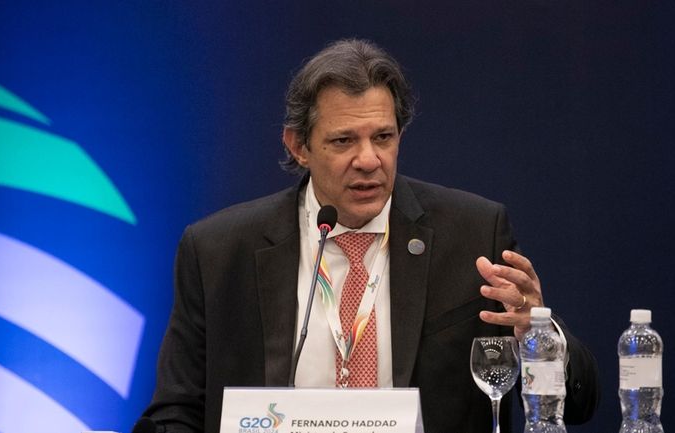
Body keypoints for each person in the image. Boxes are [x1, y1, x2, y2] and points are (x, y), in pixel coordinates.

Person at [140, 39, 599, 433]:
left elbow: (577, 406)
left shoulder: (473, 233)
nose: (368, 160)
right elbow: (176, 410)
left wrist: (537, 333)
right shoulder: (220, 251)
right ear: (298, 146)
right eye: (343, 141)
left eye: (383, 137)